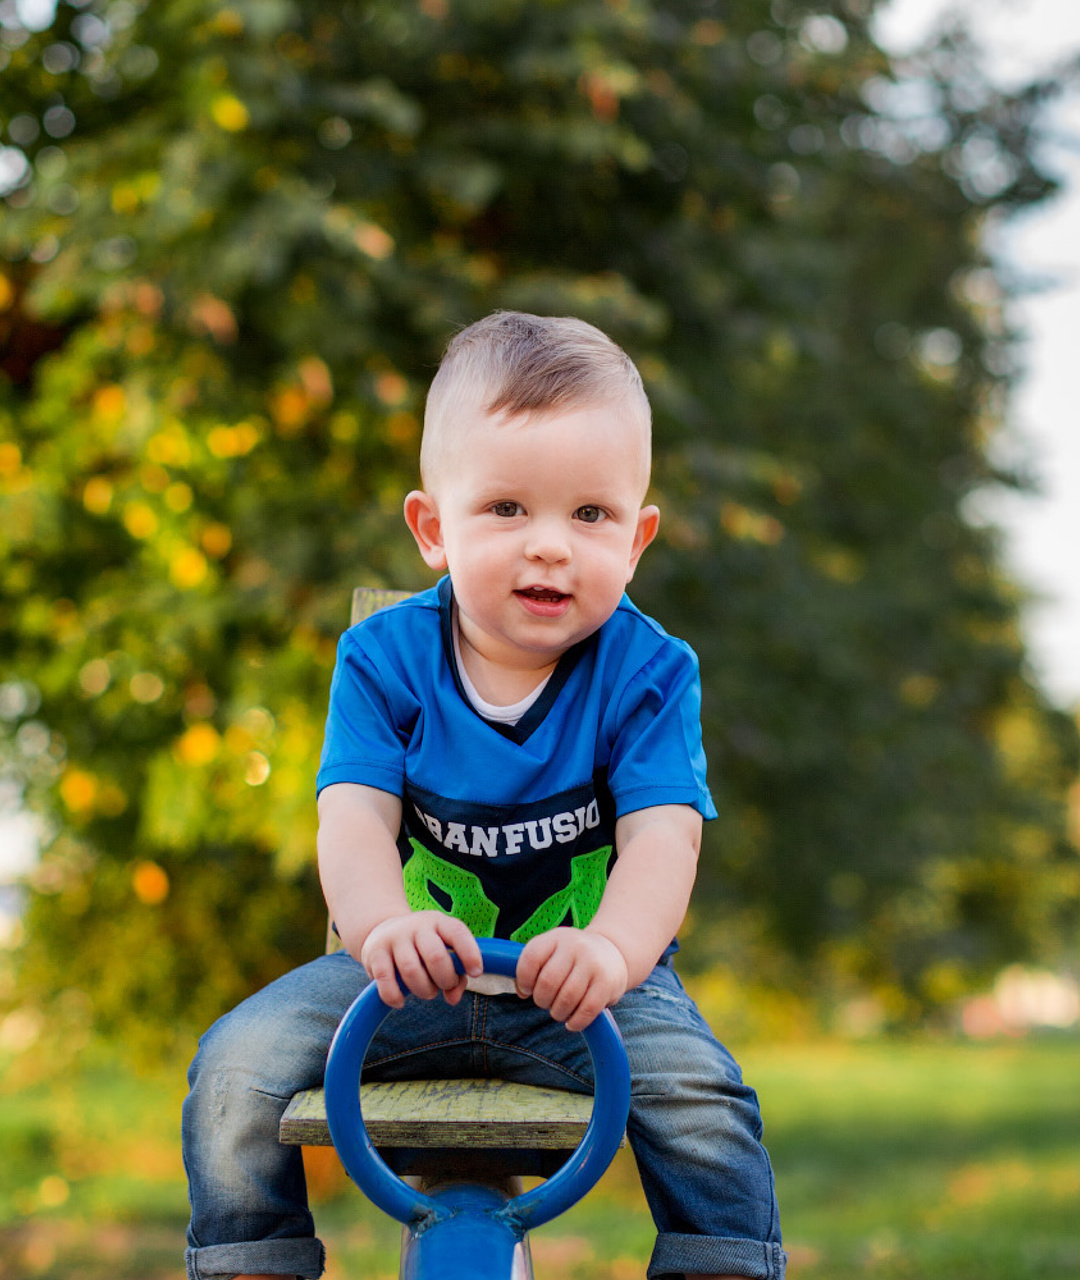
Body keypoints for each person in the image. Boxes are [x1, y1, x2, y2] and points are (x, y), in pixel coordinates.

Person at [182, 311, 786, 1280]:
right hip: (403, 976)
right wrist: (381, 927)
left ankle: (718, 1265)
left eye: (588, 516)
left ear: (635, 539)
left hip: (589, 987)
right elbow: (352, 819)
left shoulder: (648, 670)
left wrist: (611, 951)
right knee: (232, 1066)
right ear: (432, 528)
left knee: (703, 1096)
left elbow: (663, 841)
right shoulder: (383, 658)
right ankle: (253, 1262)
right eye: (505, 508)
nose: (548, 546)